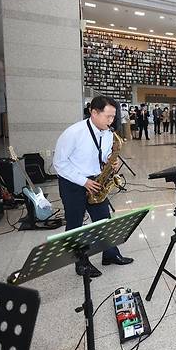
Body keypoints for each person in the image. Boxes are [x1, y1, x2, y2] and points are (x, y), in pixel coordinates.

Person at [53, 96, 133, 277]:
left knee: (104, 220)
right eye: (108, 116)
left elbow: (101, 155)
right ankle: (81, 264)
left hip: (97, 180)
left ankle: (110, 255)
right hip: (73, 183)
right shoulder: (73, 133)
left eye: (113, 117)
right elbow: (59, 163)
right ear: (94, 112)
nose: (111, 121)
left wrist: (109, 163)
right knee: (75, 224)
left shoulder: (107, 133)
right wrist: (84, 181)